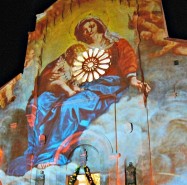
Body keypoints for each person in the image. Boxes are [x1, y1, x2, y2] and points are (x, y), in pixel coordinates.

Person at [7, 16, 151, 176]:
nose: (88, 30)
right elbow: (58, 69)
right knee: (44, 102)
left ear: (99, 25)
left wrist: (132, 79)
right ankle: (38, 149)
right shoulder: (79, 49)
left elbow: (128, 60)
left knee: (69, 106)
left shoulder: (116, 44)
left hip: (107, 87)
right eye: (84, 30)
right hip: (83, 87)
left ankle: (52, 155)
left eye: (91, 25)